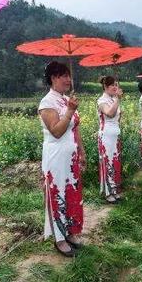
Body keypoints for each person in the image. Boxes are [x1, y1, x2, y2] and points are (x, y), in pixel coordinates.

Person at [38, 61, 86, 258]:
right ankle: (59, 238)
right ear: (53, 78)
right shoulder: (47, 102)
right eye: (63, 75)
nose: (68, 79)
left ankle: (69, 231)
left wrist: (81, 151)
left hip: (71, 154)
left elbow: (75, 128)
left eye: (69, 75)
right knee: (58, 192)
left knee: (71, 192)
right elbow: (56, 131)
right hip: (56, 156)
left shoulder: (67, 99)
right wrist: (69, 111)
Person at [97, 75, 123, 204]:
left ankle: (115, 189)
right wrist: (118, 98)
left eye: (116, 85)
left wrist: (117, 99)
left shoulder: (113, 99)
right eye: (113, 85)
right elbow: (110, 113)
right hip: (106, 135)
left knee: (115, 161)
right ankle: (108, 192)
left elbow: (118, 116)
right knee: (108, 162)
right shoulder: (101, 100)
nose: (115, 87)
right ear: (106, 86)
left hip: (115, 135)